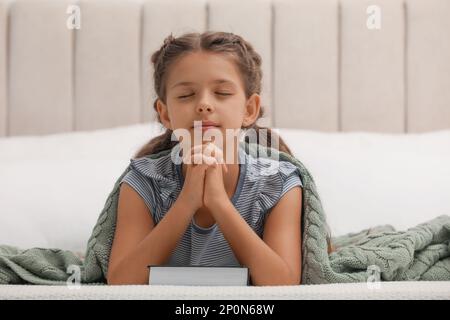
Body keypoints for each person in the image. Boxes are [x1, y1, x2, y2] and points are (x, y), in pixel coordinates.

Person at [107, 31, 331, 286]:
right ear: (165, 113)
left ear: (249, 110)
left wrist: (219, 203)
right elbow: (121, 282)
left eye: (222, 93)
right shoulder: (143, 180)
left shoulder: (279, 183)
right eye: (185, 95)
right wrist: (187, 201)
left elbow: (282, 284)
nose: (204, 104)